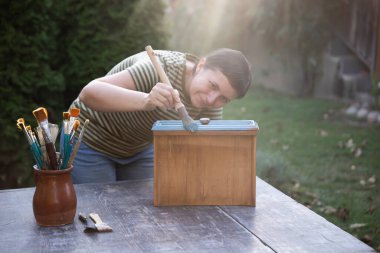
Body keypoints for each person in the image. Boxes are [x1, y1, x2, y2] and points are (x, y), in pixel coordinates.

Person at [68, 48, 252, 184]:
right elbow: (88, 93)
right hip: (91, 139)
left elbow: (208, 151)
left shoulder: (210, 104)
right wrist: (146, 100)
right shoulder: (158, 68)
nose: (212, 99)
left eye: (224, 99)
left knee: (145, 214)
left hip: (137, 148)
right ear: (201, 65)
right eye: (213, 85)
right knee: (99, 212)